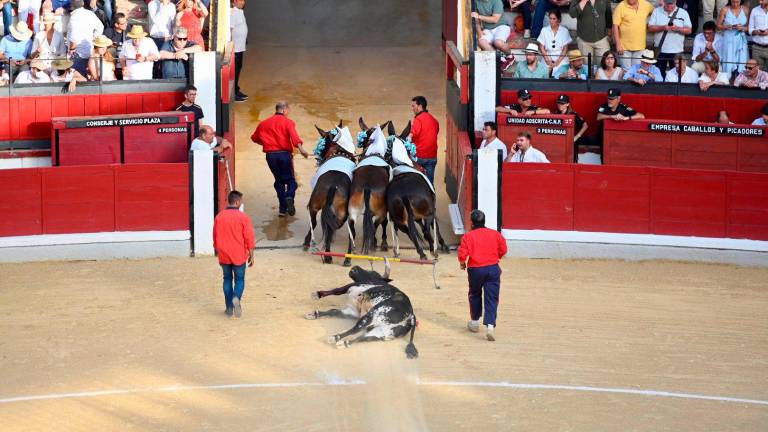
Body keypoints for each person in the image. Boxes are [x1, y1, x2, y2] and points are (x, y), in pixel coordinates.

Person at [250, 101, 309, 217]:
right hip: (284, 155)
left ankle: (282, 209)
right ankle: (289, 196)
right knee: (291, 181)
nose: (288, 113)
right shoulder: (288, 122)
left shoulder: (263, 123)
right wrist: (302, 150)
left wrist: (266, 143)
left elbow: (254, 138)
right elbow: (295, 138)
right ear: (284, 110)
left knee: (279, 181)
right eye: (288, 111)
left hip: (271, 156)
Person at [457, 209, 507, 342]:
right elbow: (503, 250)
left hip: (475, 270)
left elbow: (462, 255)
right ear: (484, 221)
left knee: (474, 294)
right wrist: (495, 258)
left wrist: (462, 263)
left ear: (472, 223)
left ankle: (474, 322)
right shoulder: (495, 234)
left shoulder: (468, 236)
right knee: (492, 297)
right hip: (492, 268)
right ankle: (490, 326)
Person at [213, 190, 255, 318]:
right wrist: (251, 254)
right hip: (238, 254)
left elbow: (215, 236)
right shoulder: (244, 218)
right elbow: (249, 238)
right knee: (239, 280)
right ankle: (235, 298)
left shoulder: (219, 217)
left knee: (227, 279)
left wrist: (217, 249)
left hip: (224, 254)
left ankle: (228, 308)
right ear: (237, 202)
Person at [648, 0, 692, 75]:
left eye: (671, 4)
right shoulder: (656, 11)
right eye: (667, 4)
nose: (669, 6)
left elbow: (689, 30)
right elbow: (650, 28)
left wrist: (677, 29)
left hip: (677, 50)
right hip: (660, 50)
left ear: (675, 2)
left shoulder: (683, 12)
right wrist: (663, 27)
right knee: (658, 75)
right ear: (663, 2)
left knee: (676, 75)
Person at [612, 0, 654, 70]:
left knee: (637, 71)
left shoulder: (646, 5)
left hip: (640, 46)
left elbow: (656, 12)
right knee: (626, 71)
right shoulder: (621, 6)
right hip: (624, 47)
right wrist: (618, 44)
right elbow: (615, 26)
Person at [67, 0, 104, 76]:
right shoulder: (90, 13)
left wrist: (71, 50)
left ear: (72, 6)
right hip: (90, 51)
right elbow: (100, 27)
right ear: (83, 4)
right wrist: (93, 38)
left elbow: (74, 39)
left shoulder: (74, 18)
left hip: (77, 54)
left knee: (78, 80)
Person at [410, 95, 440, 185]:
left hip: (419, 157)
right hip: (432, 157)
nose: (412, 108)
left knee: (414, 183)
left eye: (413, 106)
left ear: (420, 106)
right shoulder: (434, 120)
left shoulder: (418, 120)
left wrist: (407, 140)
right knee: (429, 183)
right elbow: (436, 132)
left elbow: (413, 134)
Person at [717, 0, 749, 75]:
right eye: (733, 2)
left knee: (741, 60)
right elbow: (718, 26)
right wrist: (730, 26)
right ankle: (727, 80)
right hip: (729, 39)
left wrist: (743, 28)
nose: (735, 3)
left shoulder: (745, 9)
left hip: (741, 39)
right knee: (728, 60)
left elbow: (749, 27)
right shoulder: (725, 9)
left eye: (737, 2)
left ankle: (740, 80)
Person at [554, 94, 588, 161]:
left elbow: (585, 125)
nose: (560, 105)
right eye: (559, 103)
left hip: (570, 143)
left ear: (567, 104)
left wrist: (577, 136)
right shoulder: (555, 114)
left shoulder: (573, 114)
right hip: (559, 143)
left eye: (562, 103)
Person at [537, 9, 571, 74]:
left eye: (554, 19)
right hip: (547, 56)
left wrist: (558, 62)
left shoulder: (564, 31)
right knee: (543, 73)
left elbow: (565, 49)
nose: (551, 21)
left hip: (561, 58)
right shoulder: (544, 30)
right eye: (550, 18)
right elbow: (541, 47)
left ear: (558, 19)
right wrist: (547, 59)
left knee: (561, 74)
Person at [230, 0, 248, 101]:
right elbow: (229, 29)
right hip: (235, 49)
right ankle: (234, 94)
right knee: (235, 71)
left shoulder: (239, 11)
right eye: (240, 0)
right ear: (234, 2)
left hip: (240, 47)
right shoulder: (233, 12)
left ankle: (236, 89)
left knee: (238, 69)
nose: (243, 2)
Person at [104, 13, 128, 79]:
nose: (126, 24)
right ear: (116, 25)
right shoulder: (108, 32)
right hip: (113, 61)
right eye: (123, 23)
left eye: (126, 22)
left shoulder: (129, 30)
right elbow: (102, 46)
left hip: (125, 60)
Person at [750, 0, 768, 70]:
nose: (760, 2)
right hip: (757, 48)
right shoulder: (754, 10)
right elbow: (750, 29)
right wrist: (757, 32)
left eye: (762, 0)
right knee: (757, 74)